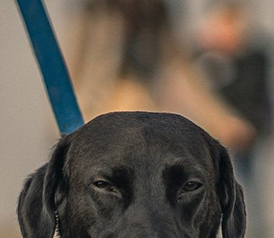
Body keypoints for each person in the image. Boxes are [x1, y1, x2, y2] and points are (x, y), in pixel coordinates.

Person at [68, 0, 254, 152]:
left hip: (142, 114)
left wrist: (222, 121)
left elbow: (180, 70)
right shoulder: (95, 13)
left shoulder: (156, 13)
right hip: (96, 115)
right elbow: (72, 71)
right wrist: (72, 124)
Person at [194, 0, 274, 238]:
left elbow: (265, 98)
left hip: (246, 141)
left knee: (249, 198)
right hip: (207, 140)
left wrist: (262, 129)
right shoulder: (199, 56)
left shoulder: (256, 57)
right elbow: (193, 96)